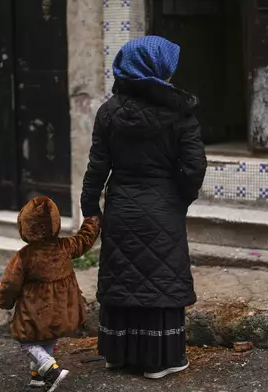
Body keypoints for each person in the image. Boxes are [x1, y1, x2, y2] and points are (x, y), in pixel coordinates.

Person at [81, 35, 207, 379]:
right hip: (163, 205)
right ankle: (161, 361)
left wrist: (90, 206)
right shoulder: (181, 112)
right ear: (158, 69)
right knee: (160, 278)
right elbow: (194, 166)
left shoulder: (108, 112)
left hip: (121, 204)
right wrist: (180, 198)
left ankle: (117, 355)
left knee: (123, 275)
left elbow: (97, 167)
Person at [0, 196, 100, 391]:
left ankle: (52, 370)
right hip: (61, 308)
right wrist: (92, 220)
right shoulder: (65, 247)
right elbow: (85, 239)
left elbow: (10, 283)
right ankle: (38, 378)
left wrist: (4, 301)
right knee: (48, 339)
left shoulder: (24, 256)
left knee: (26, 341)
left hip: (35, 311)